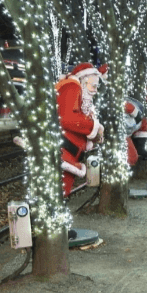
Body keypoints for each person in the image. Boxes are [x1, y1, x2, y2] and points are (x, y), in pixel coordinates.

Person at [56, 63, 106, 196]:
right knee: (58, 194)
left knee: (61, 193)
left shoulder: (78, 94)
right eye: (93, 86)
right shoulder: (72, 86)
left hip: (67, 154)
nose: (95, 91)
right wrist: (95, 127)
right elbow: (67, 118)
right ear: (83, 80)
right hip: (63, 152)